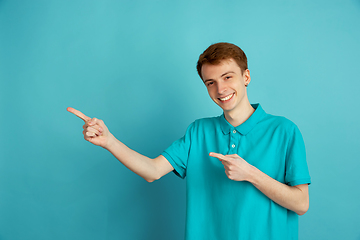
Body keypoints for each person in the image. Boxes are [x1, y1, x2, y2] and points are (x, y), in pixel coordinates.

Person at [68, 42, 311, 240]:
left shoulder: (284, 131)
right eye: (211, 82)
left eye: (228, 77)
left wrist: (250, 173)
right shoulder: (199, 132)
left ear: (246, 76)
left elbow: (301, 204)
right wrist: (109, 141)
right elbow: (152, 170)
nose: (220, 89)